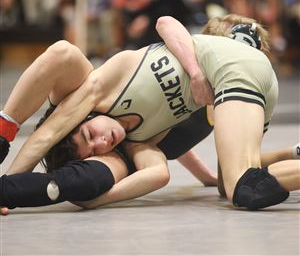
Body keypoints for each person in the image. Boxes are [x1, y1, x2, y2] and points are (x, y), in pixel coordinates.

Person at [1, 14, 299, 211]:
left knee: (240, 186)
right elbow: (161, 170)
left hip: (229, 71)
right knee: (239, 184)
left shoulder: (103, 86)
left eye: (92, 134)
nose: (104, 142)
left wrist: (195, 73)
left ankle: (3, 133)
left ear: (85, 117)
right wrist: (96, 200)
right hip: (258, 82)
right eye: (96, 150)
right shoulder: (139, 139)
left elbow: (48, 132)